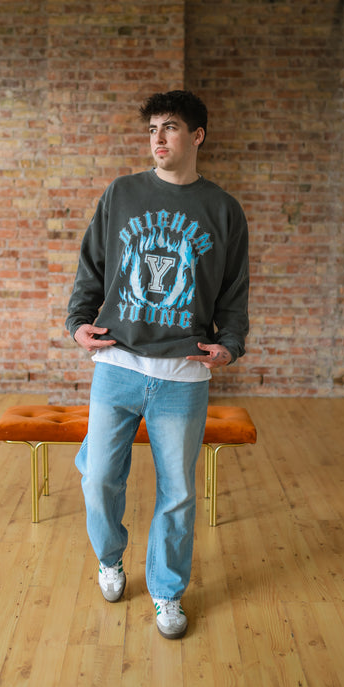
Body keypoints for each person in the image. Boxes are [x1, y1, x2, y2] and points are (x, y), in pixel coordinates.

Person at [66, 90, 249, 639]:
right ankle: (110, 559)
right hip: (117, 362)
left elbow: (233, 292)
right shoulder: (121, 193)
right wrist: (77, 322)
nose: (158, 138)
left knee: (179, 493)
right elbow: (91, 267)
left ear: (197, 136)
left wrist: (230, 343)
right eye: (152, 129)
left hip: (182, 375)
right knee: (100, 477)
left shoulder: (223, 210)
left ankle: (167, 592)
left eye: (170, 127)